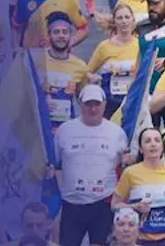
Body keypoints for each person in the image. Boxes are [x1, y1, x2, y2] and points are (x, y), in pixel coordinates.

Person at [55, 84, 130, 246]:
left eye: (97, 104)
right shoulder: (65, 130)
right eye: (88, 104)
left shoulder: (117, 133)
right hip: (72, 203)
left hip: (103, 203)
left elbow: (124, 165)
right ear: (80, 104)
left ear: (104, 104)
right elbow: (55, 164)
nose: (93, 109)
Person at [115, 127, 165, 245]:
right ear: (141, 149)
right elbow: (115, 205)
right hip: (139, 239)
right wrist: (135, 206)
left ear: (162, 147)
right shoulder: (130, 173)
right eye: (147, 141)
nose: (153, 144)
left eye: (157, 140)